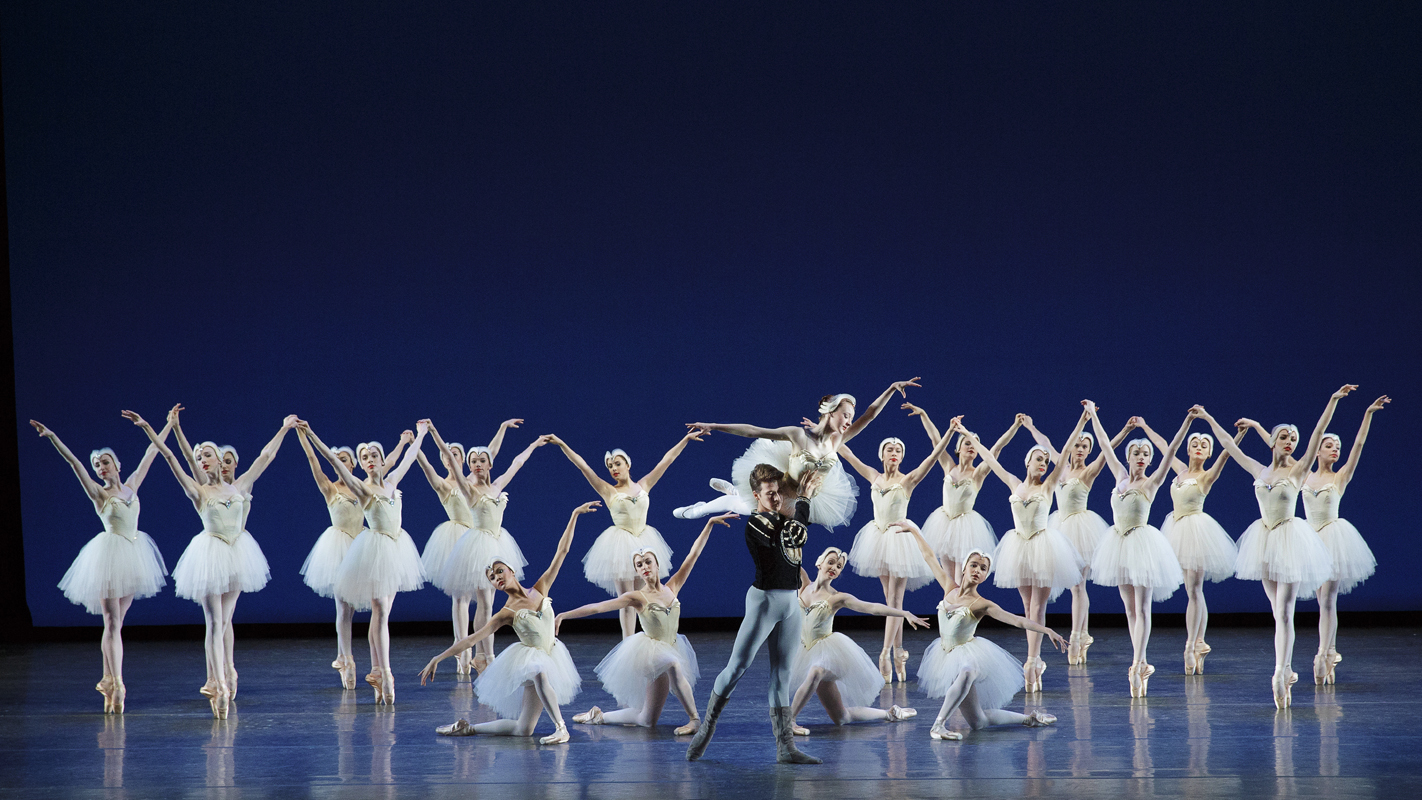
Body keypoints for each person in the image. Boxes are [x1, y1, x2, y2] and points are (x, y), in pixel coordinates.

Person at [126, 409, 295, 718]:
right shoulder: (198, 491)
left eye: (207, 455)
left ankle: (225, 674)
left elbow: (265, 457)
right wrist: (158, 427)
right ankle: (216, 683)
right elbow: (171, 459)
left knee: (225, 622)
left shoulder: (240, 486)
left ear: (220, 459)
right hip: (209, 555)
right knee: (214, 623)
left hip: (238, 555)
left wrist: (284, 429)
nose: (202, 459)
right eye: (199, 456)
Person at [1194, 385, 1353, 708]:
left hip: (1291, 540)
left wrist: (1333, 400)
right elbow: (1227, 444)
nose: (1290, 442)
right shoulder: (1259, 469)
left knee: (1285, 611)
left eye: (1293, 439)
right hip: (1264, 542)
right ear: (1273, 441)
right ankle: (1285, 669)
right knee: (1277, 615)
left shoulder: (1298, 470)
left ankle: (1282, 671)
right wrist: (1209, 417)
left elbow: (1318, 432)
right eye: (1284, 438)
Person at [419, 502, 602, 745]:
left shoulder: (541, 587)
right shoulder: (505, 613)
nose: (496, 578)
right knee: (538, 671)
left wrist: (574, 515)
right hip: (532, 662)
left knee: (523, 730)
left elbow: (563, 552)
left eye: (499, 571)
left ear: (512, 570)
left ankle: (468, 728)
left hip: (552, 655)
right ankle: (561, 728)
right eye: (492, 578)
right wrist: (437, 658)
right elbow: (472, 639)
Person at [32, 409, 175, 713]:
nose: (100, 468)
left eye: (105, 463)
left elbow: (152, 453)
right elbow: (74, 463)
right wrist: (53, 437)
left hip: (134, 555)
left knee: (116, 624)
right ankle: (119, 683)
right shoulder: (98, 494)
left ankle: (108, 680)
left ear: (116, 464)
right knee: (111, 622)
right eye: (97, 465)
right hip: (108, 557)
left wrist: (162, 425)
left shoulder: (132, 485)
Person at [686, 466, 824, 764]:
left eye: (778, 493)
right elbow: (796, 536)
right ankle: (706, 729)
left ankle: (785, 747)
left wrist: (802, 496)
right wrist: (804, 499)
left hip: (790, 603)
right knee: (737, 667)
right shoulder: (756, 524)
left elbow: (795, 532)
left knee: (782, 675)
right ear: (757, 496)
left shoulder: (781, 517)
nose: (775, 498)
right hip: (764, 602)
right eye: (770, 494)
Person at [558, 513, 741, 734]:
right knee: (673, 664)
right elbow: (598, 607)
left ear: (656, 564)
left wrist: (709, 524)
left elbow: (693, 555)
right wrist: (564, 615)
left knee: (646, 720)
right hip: (651, 655)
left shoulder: (672, 587)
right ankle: (694, 720)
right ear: (637, 571)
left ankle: (599, 716)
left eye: (647, 562)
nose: (644, 567)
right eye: (639, 565)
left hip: (672, 647)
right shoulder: (637, 597)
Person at [949, 411, 1087, 694]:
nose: (1044, 464)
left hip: (1044, 547)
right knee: (1027, 608)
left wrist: (1082, 421)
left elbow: (1061, 458)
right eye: (1039, 459)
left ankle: (1032, 662)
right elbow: (989, 456)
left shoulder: (1048, 485)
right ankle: (1033, 660)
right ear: (1028, 462)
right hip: (1019, 548)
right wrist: (963, 432)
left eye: (1046, 461)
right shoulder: (1014, 482)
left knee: (1039, 606)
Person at [303, 421, 431, 704]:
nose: (370, 461)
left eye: (374, 456)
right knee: (380, 609)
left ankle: (376, 670)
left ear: (381, 460)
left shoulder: (393, 480)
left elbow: (408, 458)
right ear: (360, 465)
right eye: (364, 458)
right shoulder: (361, 488)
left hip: (397, 549)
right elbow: (331, 459)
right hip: (374, 550)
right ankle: (384, 671)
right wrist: (310, 434)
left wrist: (420, 435)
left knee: (382, 614)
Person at [683, 378, 921, 530]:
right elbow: (754, 431)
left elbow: (869, 415)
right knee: (745, 506)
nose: (849, 421)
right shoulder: (798, 436)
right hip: (782, 494)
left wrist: (890, 388)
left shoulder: (838, 441)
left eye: (851, 417)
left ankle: (733, 492)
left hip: (807, 501)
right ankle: (699, 509)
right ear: (829, 412)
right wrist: (714, 426)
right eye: (845, 415)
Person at [902, 527, 1065, 740]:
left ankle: (938, 725)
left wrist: (1046, 629)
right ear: (964, 568)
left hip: (965, 654)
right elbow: (929, 557)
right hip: (945, 655)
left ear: (986, 576)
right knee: (979, 722)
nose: (978, 570)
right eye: (974, 565)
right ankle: (1030, 719)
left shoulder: (982, 604)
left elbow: (1016, 620)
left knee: (969, 670)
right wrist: (913, 531)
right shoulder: (949, 588)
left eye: (983, 568)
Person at [545, 429, 707, 637]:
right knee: (627, 599)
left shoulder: (644, 484)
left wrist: (685, 439)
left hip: (645, 542)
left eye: (617, 464)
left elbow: (668, 459)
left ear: (628, 465)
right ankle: (628, 642)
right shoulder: (608, 491)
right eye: (610, 466)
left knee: (643, 597)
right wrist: (561, 444)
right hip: (620, 544)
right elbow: (583, 466)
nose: (613, 468)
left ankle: (650, 636)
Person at [1084, 403, 1190, 696]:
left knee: (1142, 607)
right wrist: (1093, 413)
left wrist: (1185, 422)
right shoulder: (1118, 476)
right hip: (1117, 544)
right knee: (1130, 609)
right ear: (1128, 457)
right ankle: (1140, 662)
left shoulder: (1152, 482)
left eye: (1145, 455)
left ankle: (1138, 662)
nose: (1141, 458)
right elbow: (1104, 444)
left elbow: (1171, 450)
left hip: (1142, 545)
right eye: (1137, 453)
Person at [1135, 415, 1248, 675]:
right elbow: (1164, 445)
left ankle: (1190, 645)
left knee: (1194, 589)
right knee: (1193, 590)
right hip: (1175, 529)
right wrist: (1144, 425)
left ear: (1208, 453)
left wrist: (1239, 435)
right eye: (1195, 443)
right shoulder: (1178, 469)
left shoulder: (1206, 476)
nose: (1199, 446)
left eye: (1204, 445)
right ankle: (1199, 641)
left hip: (1196, 532)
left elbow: (1227, 454)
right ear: (1188, 449)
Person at [838, 431, 951, 682]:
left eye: (898, 451)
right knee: (890, 599)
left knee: (895, 599)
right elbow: (846, 453)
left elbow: (932, 459)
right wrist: (825, 432)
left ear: (902, 457)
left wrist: (950, 433)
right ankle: (900, 651)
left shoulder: (908, 480)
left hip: (900, 539)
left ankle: (885, 652)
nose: (894, 454)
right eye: (890, 450)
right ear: (882, 455)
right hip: (877, 538)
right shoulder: (873, 476)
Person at [413, 419, 523, 675]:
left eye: (456, 455)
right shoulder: (447, 484)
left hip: (481, 538)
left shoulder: (475, 478)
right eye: (448, 455)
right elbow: (425, 465)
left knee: (486, 598)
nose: (453, 458)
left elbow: (491, 453)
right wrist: (419, 442)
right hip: (459, 540)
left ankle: (481, 654)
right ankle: (463, 651)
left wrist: (502, 428)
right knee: (461, 597)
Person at [433, 424, 545, 673]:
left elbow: (516, 463)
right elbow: (450, 457)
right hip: (478, 547)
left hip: (498, 545)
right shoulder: (468, 489)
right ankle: (486, 655)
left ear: (489, 464)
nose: (477, 464)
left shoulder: (497, 486)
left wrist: (533, 444)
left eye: (482, 460)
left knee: (488, 603)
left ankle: (483, 655)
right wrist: (432, 433)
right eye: (473, 461)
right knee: (481, 599)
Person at [1020, 414, 1130, 665]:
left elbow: (1107, 449)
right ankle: (1082, 635)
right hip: (1058, 529)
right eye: (1077, 445)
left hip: (1082, 530)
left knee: (1079, 586)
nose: (1080, 450)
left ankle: (1078, 636)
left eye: (1084, 447)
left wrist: (1124, 429)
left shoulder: (1089, 471)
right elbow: (1045, 442)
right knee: (1069, 586)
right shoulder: (1060, 465)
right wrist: (1030, 426)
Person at [787, 546, 927, 734]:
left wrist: (904, 613)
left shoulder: (837, 597)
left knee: (816, 671)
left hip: (829, 654)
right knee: (841, 718)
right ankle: (890, 713)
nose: (834, 568)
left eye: (839, 566)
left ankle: (790, 721)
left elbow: (872, 608)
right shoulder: (804, 585)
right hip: (804, 650)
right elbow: (789, 559)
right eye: (831, 562)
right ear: (819, 563)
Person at [900, 403, 1018, 590]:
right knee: (947, 578)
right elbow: (935, 439)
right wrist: (923, 414)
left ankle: (961, 609)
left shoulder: (978, 473)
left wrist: (1015, 426)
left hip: (966, 528)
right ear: (959, 448)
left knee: (962, 575)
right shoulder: (949, 466)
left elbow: (996, 449)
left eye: (974, 444)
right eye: (967, 443)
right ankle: (949, 608)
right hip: (944, 524)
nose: (971, 447)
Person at [294, 428, 366, 689]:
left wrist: (404, 443)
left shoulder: (363, 488)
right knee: (343, 607)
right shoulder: (330, 488)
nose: (340, 462)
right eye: (336, 459)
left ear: (353, 463)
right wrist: (305, 437)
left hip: (361, 546)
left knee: (354, 607)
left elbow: (388, 464)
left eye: (345, 459)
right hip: (337, 548)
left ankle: (344, 655)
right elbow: (314, 461)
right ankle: (346, 658)